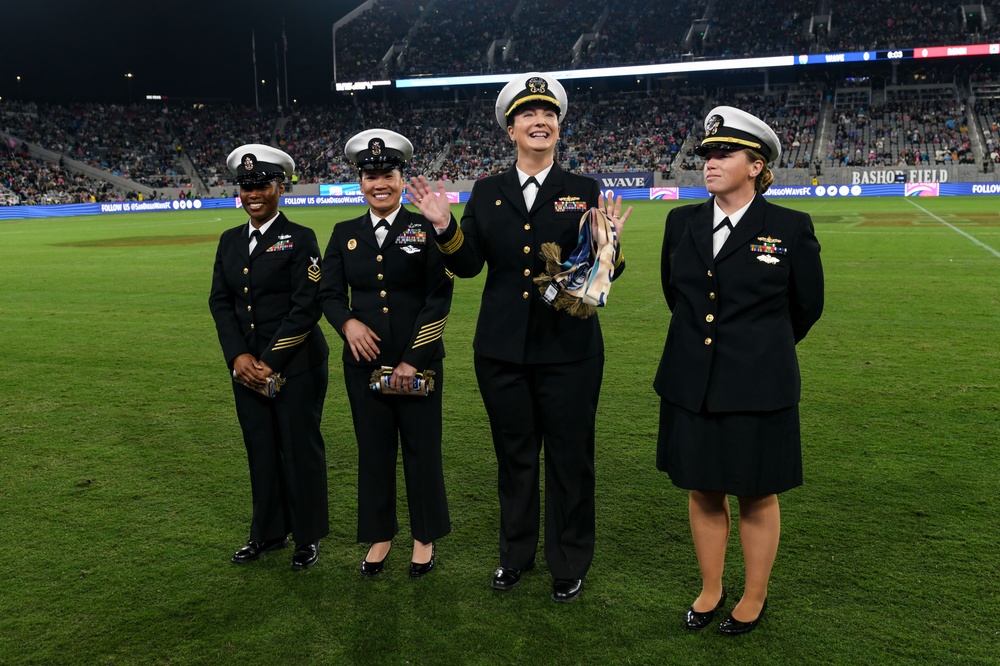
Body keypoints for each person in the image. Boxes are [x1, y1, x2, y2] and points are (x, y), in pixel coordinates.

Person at [407, 72, 628, 603]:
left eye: (548, 114)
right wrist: (443, 228)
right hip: (502, 351)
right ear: (510, 129)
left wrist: (608, 253)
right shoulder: (487, 191)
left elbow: (602, 277)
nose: (540, 121)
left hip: (570, 350)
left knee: (571, 457)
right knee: (515, 456)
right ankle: (515, 555)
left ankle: (569, 560)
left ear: (558, 126)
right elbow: (469, 265)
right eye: (528, 114)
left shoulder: (583, 190)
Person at [654, 107, 824, 635]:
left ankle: (753, 595)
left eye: (724, 153)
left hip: (758, 383)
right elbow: (675, 296)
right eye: (706, 153)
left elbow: (806, 306)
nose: (710, 161)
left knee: (756, 490)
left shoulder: (790, 227)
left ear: (756, 166)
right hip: (691, 381)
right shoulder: (680, 222)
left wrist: (758, 348)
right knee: (702, 488)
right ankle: (710, 588)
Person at [320, 129, 453, 577]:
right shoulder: (344, 233)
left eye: (388, 174)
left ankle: (424, 537)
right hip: (363, 366)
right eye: (370, 175)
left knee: (422, 451)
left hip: (418, 363)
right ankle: (379, 536)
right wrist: (346, 322)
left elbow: (439, 296)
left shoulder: (423, 227)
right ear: (360, 182)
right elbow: (329, 293)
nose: (379, 183)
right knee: (373, 451)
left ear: (402, 178)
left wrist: (414, 358)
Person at [209, 144, 330, 571]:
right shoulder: (229, 241)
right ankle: (267, 533)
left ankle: (308, 537)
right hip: (246, 369)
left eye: (261, 184)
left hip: (296, 366)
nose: (253, 193)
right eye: (246, 186)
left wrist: (269, 361)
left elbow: (306, 306)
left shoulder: (300, 238)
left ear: (281, 186)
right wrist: (238, 356)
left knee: (300, 450)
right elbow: (220, 302)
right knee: (260, 448)